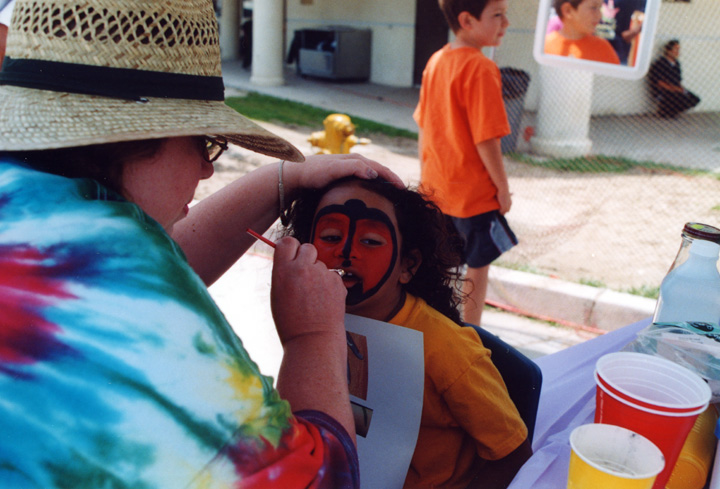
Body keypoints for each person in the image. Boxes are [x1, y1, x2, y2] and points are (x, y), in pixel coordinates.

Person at [0, 0, 403, 487]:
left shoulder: (33, 206)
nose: (207, 168)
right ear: (135, 135)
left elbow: (132, 275)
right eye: (205, 142)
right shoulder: (127, 297)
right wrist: (312, 338)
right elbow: (320, 477)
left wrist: (285, 179)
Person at [282, 177, 532, 489]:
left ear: (408, 265)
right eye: (331, 236)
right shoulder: (311, 321)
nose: (346, 252)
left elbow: (514, 452)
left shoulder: (445, 349)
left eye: (370, 241)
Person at [414, 0, 518, 327]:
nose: (506, 22)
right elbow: (486, 139)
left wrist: (425, 179)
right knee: (476, 268)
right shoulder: (482, 68)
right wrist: (502, 188)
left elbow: (424, 127)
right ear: (467, 20)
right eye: (498, 15)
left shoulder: (436, 60)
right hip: (473, 196)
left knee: (440, 268)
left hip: (437, 189)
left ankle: (436, 326)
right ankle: (471, 333)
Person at [544, 0, 621, 64]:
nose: (599, 15)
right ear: (568, 11)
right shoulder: (545, 47)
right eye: (593, 8)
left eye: (600, 8)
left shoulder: (604, 50)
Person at [648, 39, 701, 119]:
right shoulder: (659, 63)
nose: (677, 52)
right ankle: (664, 110)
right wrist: (673, 88)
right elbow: (658, 82)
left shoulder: (677, 64)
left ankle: (670, 111)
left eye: (678, 50)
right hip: (664, 91)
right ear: (668, 50)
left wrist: (682, 89)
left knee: (695, 99)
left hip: (675, 89)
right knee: (675, 96)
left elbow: (678, 80)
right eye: (675, 49)